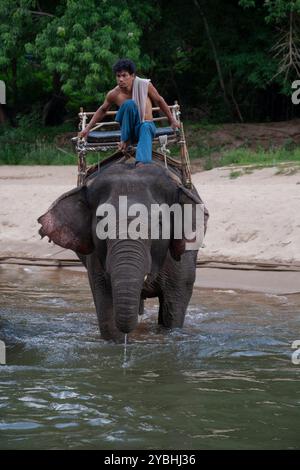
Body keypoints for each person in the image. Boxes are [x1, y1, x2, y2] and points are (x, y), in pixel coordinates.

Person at [78, 58, 180, 163]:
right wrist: (87, 129)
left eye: (124, 75)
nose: (121, 79)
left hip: (146, 127)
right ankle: (125, 140)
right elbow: (103, 110)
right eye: (118, 76)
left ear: (132, 76)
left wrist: (172, 120)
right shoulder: (114, 94)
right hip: (128, 131)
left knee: (145, 126)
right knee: (129, 104)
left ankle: (142, 163)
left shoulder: (145, 85)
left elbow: (159, 101)